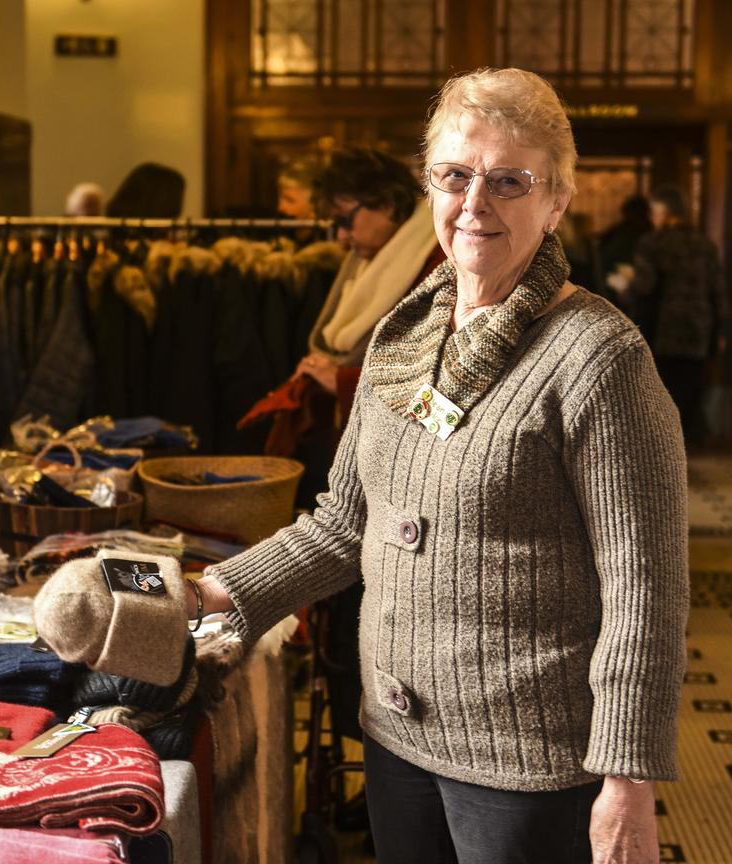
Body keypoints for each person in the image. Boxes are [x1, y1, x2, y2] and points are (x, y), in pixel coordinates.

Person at [188, 68, 688, 864]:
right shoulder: (405, 331)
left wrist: (627, 779)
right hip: (394, 741)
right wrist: (205, 595)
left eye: (509, 181)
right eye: (455, 176)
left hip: (526, 766)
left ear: (558, 200)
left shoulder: (599, 356)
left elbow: (646, 587)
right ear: (430, 186)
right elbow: (343, 525)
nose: (475, 203)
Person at [293, 147, 443, 424]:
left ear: (387, 203)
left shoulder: (441, 263)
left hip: (409, 452)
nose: (341, 237)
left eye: (345, 220)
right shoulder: (367, 262)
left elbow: (448, 405)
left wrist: (343, 381)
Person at [627, 185, 726, 443]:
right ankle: (690, 442)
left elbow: (644, 287)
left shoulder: (653, 243)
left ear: (664, 211)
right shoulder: (705, 245)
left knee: (662, 388)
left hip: (663, 328)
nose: (652, 218)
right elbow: (718, 290)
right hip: (698, 328)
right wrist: (721, 331)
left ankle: (664, 444)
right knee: (691, 386)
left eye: (654, 212)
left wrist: (627, 284)